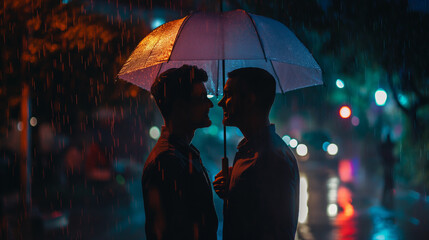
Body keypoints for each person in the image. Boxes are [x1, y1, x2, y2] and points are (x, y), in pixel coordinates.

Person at [213, 67, 300, 240]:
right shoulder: (251, 151)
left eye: (228, 94)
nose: (221, 102)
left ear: (250, 99)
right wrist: (233, 191)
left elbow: (275, 231)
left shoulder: (270, 158)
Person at [142, 65, 218, 240]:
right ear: (180, 107)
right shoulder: (167, 162)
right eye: (201, 98)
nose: (210, 104)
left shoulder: (181, 153)